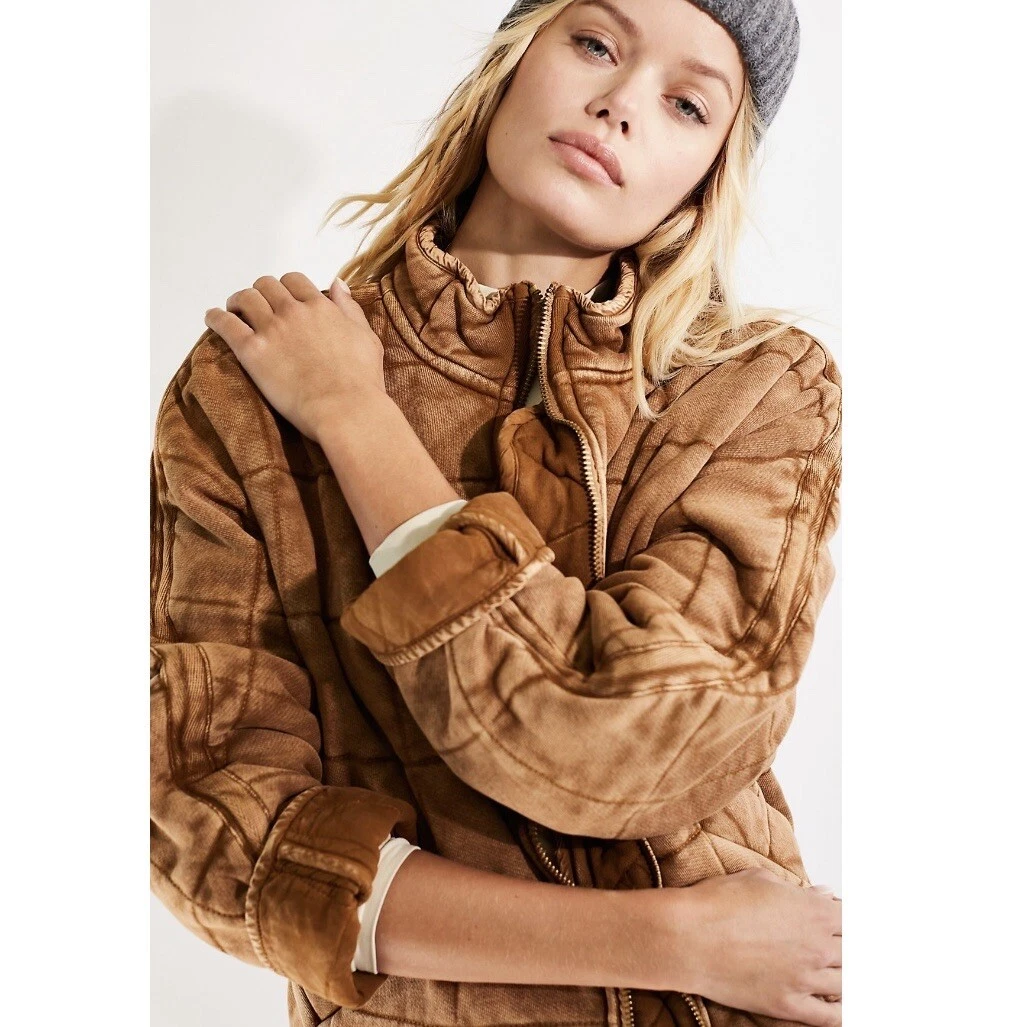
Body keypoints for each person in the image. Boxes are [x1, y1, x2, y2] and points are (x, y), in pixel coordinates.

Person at [150, 1, 842, 1025]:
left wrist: (357, 424)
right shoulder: (250, 383)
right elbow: (223, 843)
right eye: (595, 43)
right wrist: (677, 941)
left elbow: (633, 745)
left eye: (687, 104)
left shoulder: (755, 389)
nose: (619, 105)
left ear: (710, 173)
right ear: (512, 60)